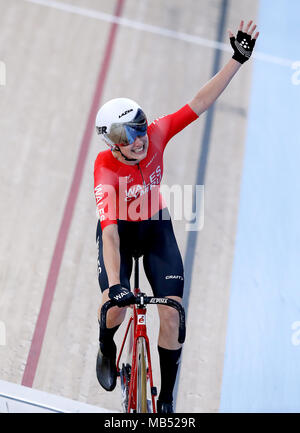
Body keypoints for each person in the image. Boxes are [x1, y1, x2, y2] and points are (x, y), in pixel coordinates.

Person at [94, 21, 259, 413]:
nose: (139, 140)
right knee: (113, 306)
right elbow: (111, 236)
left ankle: (166, 397)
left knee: (171, 313)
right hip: (120, 231)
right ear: (112, 146)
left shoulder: (158, 133)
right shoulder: (104, 169)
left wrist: (236, 59)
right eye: (128, 137)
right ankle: (105, 346)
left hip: (154, 230)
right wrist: (117, 285)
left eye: (139, 129)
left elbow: (198, 103)